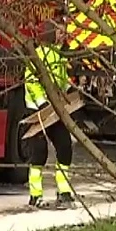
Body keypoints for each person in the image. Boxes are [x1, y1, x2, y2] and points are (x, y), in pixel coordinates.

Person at [23, 20, 76, 209]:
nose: (64, 35)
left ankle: (64, 191)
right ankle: (35, 195)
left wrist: (72, 91)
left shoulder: (60, 55)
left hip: (54, 108)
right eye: (60, 32)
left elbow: (61, 80)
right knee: (39, 152)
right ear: (50, 34)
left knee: (64, 147)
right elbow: (31, 83)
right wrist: (42, 104)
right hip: (36, 110)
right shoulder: (37, 56)